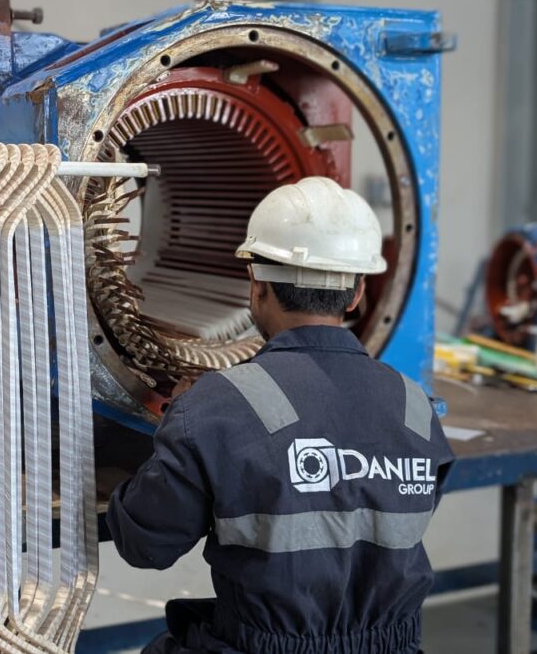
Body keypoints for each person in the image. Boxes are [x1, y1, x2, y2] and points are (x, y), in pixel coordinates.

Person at [106, 177, 454, 654]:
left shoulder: (215, 408)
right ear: (356, 293)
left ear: (256, 285)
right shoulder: (417, 407)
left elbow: (145, 543)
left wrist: (177, 425)